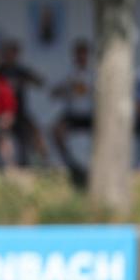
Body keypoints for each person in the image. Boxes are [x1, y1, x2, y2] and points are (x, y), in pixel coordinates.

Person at [0, 39, 48, 166]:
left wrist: (26, 80)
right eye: (8, 52)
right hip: (1, 113)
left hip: (20, 112)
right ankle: (8, 167)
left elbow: (40, 82)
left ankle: (37, 163)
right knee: (3, 137)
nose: (10, 56)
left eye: (13, 53)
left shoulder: (20, 71)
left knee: (33, 133)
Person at [51, 40, 94, 185]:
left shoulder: (94, 73)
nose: (81, 58)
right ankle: (68, 162)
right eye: (78, 55)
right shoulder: (69, 73)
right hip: (73, 113)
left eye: (84, 55)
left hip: (90, 114)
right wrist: (66, 88)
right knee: (56, 131)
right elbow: (54, 92)